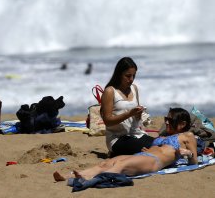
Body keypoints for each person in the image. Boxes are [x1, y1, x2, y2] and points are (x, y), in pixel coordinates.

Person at [53, 108, 198, 181]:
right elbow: (159, 149)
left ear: (182, 124)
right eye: (166, 118)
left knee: (120, 166)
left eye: (170, 120)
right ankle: (69, 176)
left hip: (155, 162)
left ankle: (90, 180)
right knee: (106, 163)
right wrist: (150, 148)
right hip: (145, 155)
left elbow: (194, 162)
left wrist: (187, 153)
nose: (166, 122)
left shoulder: (187, 136)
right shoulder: (163, 136)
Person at [100, 57, 154, 156]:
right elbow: (107, 121)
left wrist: (138, 114)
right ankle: (115, 152)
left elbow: (136, 119)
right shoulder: (110, 91)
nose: (131, 79)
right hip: (117, 138)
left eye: (134, 76)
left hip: (136, 134)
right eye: (128, 76)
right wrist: (129, 114)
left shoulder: (134, 88)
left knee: (161, 143)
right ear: (119, 74)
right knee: (151, 149)